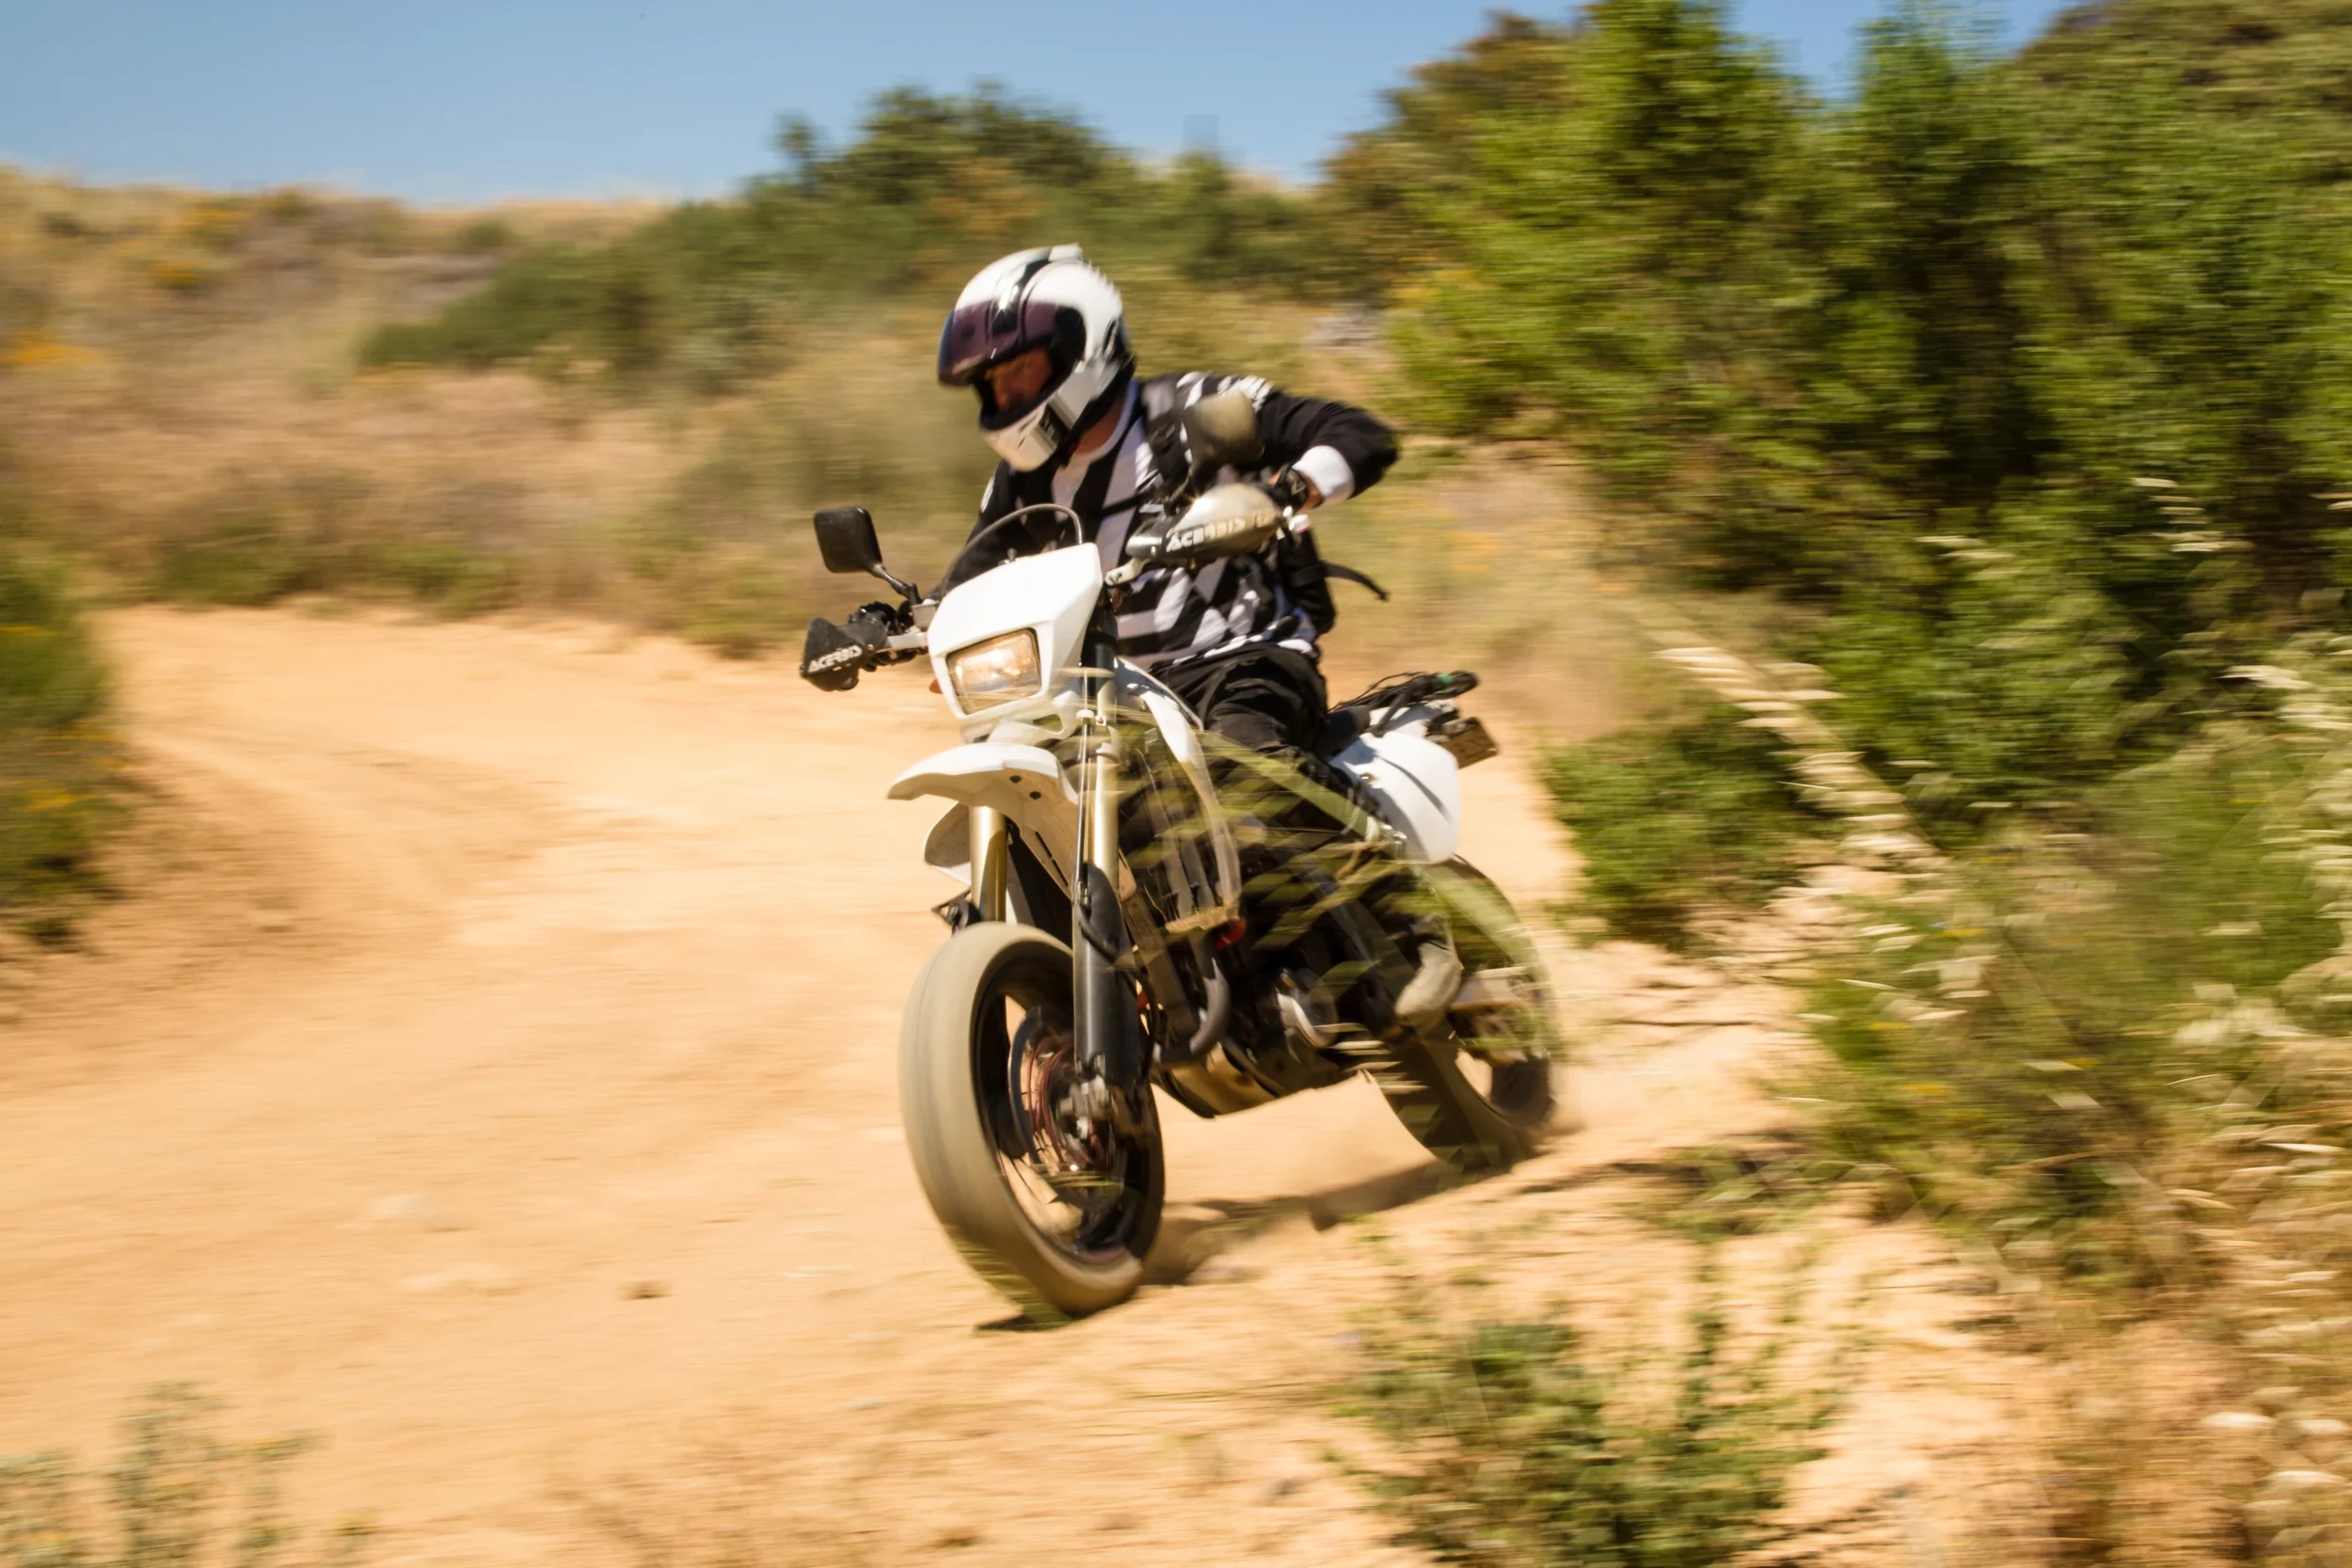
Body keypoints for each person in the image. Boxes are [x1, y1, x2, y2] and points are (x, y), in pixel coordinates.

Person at [933, 245, 1455, 1026]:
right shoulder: (1025, 481)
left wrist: (1287, 486)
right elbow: (974, 570)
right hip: (1117, 697)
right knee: (1031, 801)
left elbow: (1358, 432)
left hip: (1242, 655)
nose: (1006, 394)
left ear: (1086, 347)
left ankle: (1412, 915)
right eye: (994, 383)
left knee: (1245, 767)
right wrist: (891, 619)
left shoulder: (1189, 411)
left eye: (1021, 373)